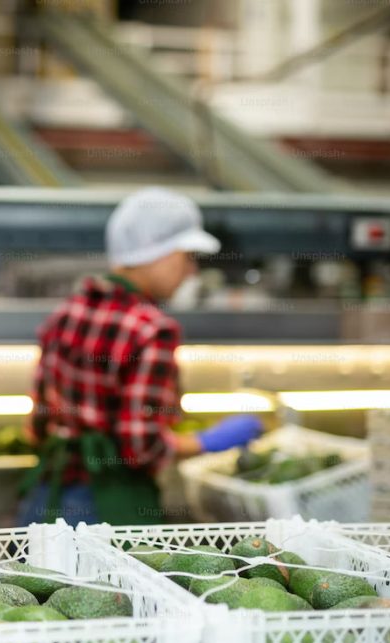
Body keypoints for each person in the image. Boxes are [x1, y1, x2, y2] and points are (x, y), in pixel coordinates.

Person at [18, 187, 262, 526]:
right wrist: (208, 441)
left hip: (47, 499)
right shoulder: (152, 329)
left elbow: (37, 425)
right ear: (157, 253)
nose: (192, 271)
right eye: (187, 256)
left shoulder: (66, 312)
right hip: (108, 510)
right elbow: (141, 446)